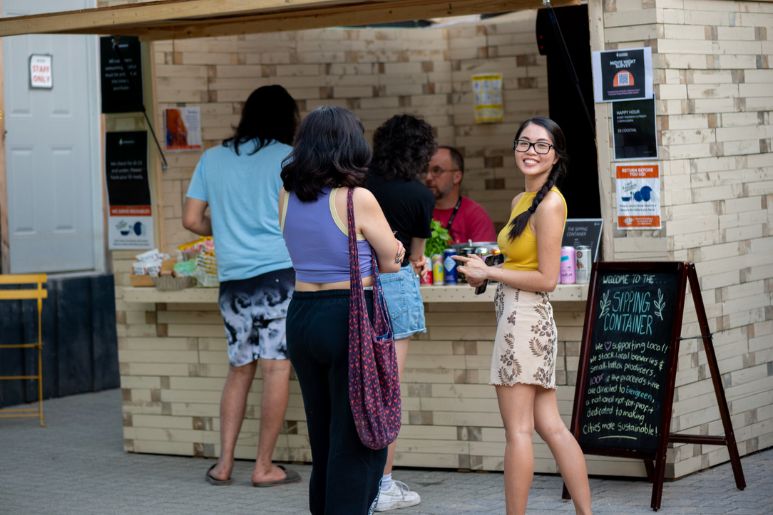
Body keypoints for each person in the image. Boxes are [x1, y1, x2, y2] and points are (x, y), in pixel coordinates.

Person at [453, 117, 592, 515]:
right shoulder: (521, 201)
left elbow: (547, 278)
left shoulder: (550, 204)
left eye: (541, 146)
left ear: (556, 156)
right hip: (521, 315)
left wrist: (490, 272)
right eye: (524, 143)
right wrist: (488, 266)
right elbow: (521, 260)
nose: (530, 152)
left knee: (518, 432)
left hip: (524, 317)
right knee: (550, 426)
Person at [279, 106, 404, 514]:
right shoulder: (357, 198)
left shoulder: (287, 194)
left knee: (323, 434)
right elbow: (390, 260)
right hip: (349, 315)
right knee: (354, 437)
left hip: (301, 316)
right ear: (351, 145)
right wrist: (398, 249)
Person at [183, 84, 302, 488]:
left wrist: (231, 227)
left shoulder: (212, 158)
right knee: (276, 369)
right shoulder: (288, 158)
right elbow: (301, 217)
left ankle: (224, 464)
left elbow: (191, 219)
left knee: (239, 369)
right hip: (279, 274)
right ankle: (264, 466)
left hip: (233, 279)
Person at [365, 114, 436, 512]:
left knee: (360, 388)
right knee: (388, 391)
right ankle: (384, 485)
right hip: (396, 286)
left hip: (357, 287)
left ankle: (366, 482)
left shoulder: (358, 187)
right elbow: (418, 257)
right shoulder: (420, 196)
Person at [425, 145, 497, 244]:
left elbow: (484, 258)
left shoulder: (476, 216)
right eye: (425, 170)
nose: (428, 177)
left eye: (437, 170)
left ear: (457, 177)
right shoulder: (418, 210)